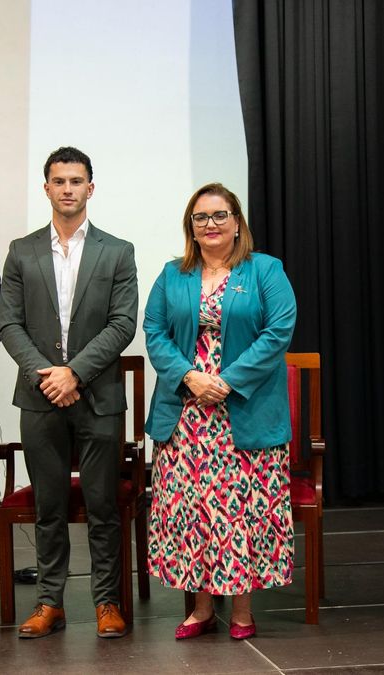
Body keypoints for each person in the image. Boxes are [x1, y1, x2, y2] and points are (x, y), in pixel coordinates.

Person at [143, 183, 297, 640]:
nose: (209, 225)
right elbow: (155, 332)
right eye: (200, 217)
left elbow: (279, 330)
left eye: (218, 215)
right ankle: (203, 609)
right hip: (187, 411)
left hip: (243, 408)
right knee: (196, 511)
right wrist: (191, 377)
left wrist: (227, 381)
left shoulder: (265, 269)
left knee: (241, 511)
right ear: (190, 226)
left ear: (236, 221)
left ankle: (245, 610)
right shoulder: (173, 274)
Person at [0, 146, 138, 639]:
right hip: (39, 399)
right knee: (50, 507)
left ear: (90, 188)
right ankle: (49, 603)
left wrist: (74, 373)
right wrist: (47, 374)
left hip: (98, 398)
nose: (67, 189)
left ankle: (106, 603)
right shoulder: (21, 250)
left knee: (102, 506)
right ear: (46, 189)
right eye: (58, 181)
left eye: (76, 181)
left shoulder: (117, 250)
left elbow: (123, 324)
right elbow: (8, 323)